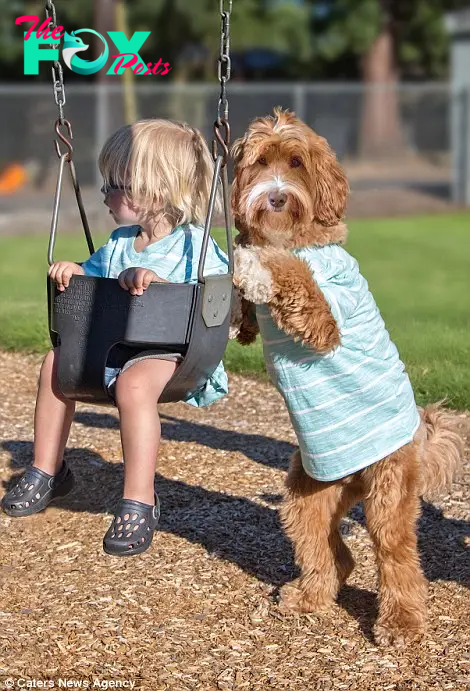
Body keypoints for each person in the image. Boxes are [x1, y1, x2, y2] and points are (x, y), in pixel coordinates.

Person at [1, 119, 229, 557]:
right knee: (55, 363)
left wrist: (154, 280)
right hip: (113, 348)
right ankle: (47, 469)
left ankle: (140, 499)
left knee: (134, 384)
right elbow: (95, 275)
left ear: (157, 191)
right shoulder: (119, 241)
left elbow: (214, 291)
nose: (105, 194)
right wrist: (76, 271)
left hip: (169, 353)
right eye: (107, 184)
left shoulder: (193, 245)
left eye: (118, 185)